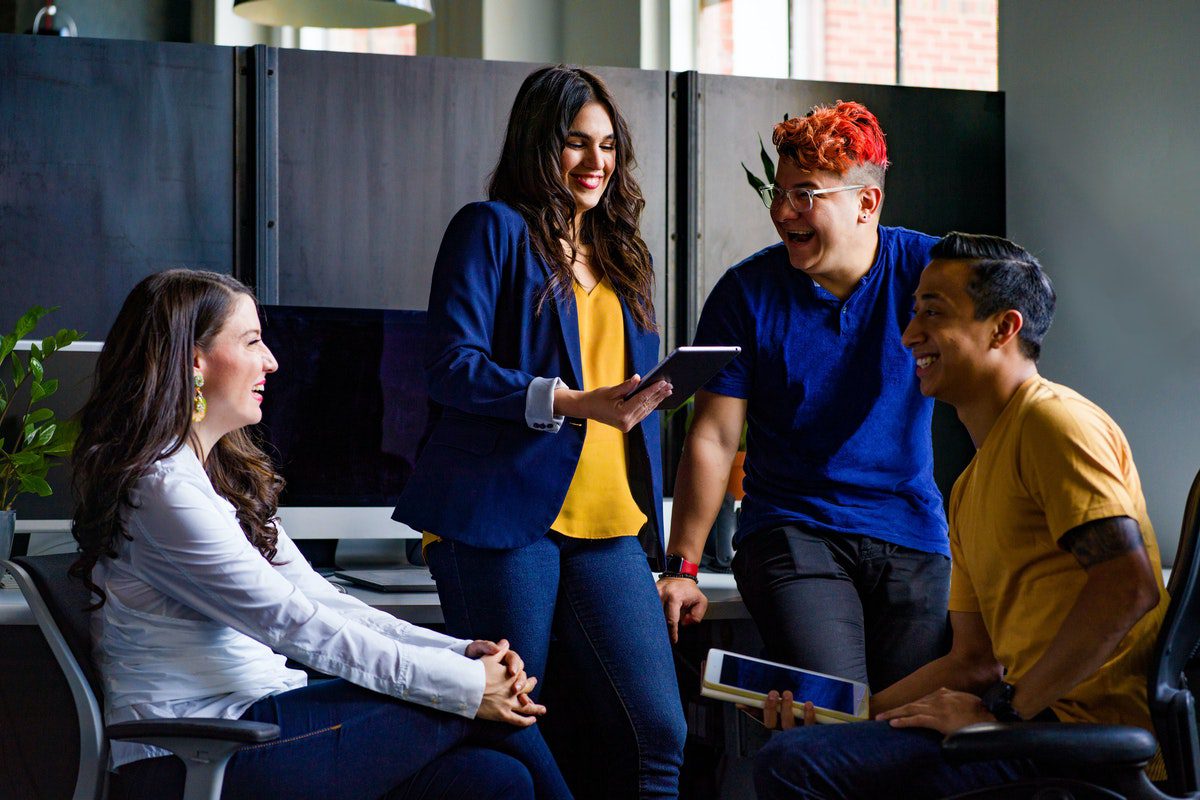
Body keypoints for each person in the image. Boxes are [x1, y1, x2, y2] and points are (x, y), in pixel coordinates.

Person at [69, 269, 572, 800]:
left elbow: (325, 603)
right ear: (194, 361)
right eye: (253, 341)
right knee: (487, 711)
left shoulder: (218, 481)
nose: (272, 361)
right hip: (194, 752)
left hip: (263, 723)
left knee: (496, 781)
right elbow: (294, 625)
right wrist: (471, 687)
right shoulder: (163, 490)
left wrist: (461, 654)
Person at [753, 232, 1168, 798]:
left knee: (795, 768)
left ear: (1004, 328)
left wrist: (1008, 715)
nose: (909, 335)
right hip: (1027, 731)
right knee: (800, 751)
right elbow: (973, 660)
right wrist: (839, 715)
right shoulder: (970, 486)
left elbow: (1129, 584)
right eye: (912, 311)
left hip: (1082, 747)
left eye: (933, 313)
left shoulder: (1055, 424)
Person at [392, 65, 687, 798]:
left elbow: (617, 393)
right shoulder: (490, 230)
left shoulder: (623, 254)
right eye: (576, 143)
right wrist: (573, 401)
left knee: (661, 732)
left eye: (609, 146)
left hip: (610, 521)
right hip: (501, 517)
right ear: (538, 143)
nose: (597, 163)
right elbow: (451, 366)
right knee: (513, 717)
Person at [659, 101, 950, 691]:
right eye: (780, 191)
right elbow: (714, 437)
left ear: (866, 203)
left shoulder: (930, 271)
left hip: (911, 532)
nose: (782, 210)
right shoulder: (746, 294)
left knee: (908, 727)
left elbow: (1008, 339)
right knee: (838, 711)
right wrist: (682, 568)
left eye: (806, 194)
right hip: (793, 531)